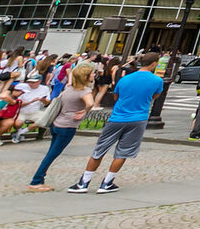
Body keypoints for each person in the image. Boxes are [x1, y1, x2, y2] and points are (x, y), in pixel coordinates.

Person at [68, 51, 164, 194]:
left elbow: (116, 96)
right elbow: (155, 96)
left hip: (117, 116)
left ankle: (84, 182)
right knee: (123, 152)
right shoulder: (157, 80)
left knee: (100, 149)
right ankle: (107, 182)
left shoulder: (125, 79)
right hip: (138, 118)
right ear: (154, 64)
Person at [29, 62, 98, 190]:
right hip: (68, 125)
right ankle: (36, 180)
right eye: (92, 73)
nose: (94, 74)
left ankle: (39, 179)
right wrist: (85, 111)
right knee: (52, 154)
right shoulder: (85, 91)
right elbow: (90, 103)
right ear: (86, 76)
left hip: (58, 123)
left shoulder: (69, 88)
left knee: (51, 152)